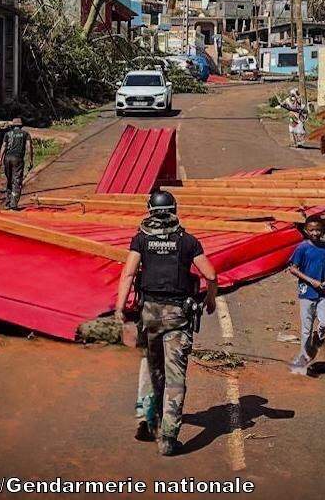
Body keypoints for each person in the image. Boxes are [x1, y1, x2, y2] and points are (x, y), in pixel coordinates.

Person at [115, 190, 218, 456]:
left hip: (149, 315)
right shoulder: (187, 241)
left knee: (151, 368)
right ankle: (169, 439)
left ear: (149, 210)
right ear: (174, 210)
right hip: (177, 317)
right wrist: (210, 300)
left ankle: (147, 421)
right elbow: (210, 274)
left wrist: (119, 308)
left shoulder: (141, 239)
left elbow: (128, 274)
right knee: (175, 378)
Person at [288, 220, 325, 375]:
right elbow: (293, 269)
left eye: (318, 230)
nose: (315, 233)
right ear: (306, 230)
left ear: (323, 230)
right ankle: (303, 360)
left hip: (323, 293)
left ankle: (318, 338)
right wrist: (311, 281)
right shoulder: (302, 248)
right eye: (312, 230)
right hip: (307, 292)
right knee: (306, 329)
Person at [0, 118, 33, 210]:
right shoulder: (25, 134)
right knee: (16, 181)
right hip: (18, 159)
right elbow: (29, 147)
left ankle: (7, 203)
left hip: (7, 159)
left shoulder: (7, 134)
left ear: (13, 126)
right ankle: (13, 204)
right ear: (21, 126)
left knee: (9, 180)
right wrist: (30, 160)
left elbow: (3, 147)